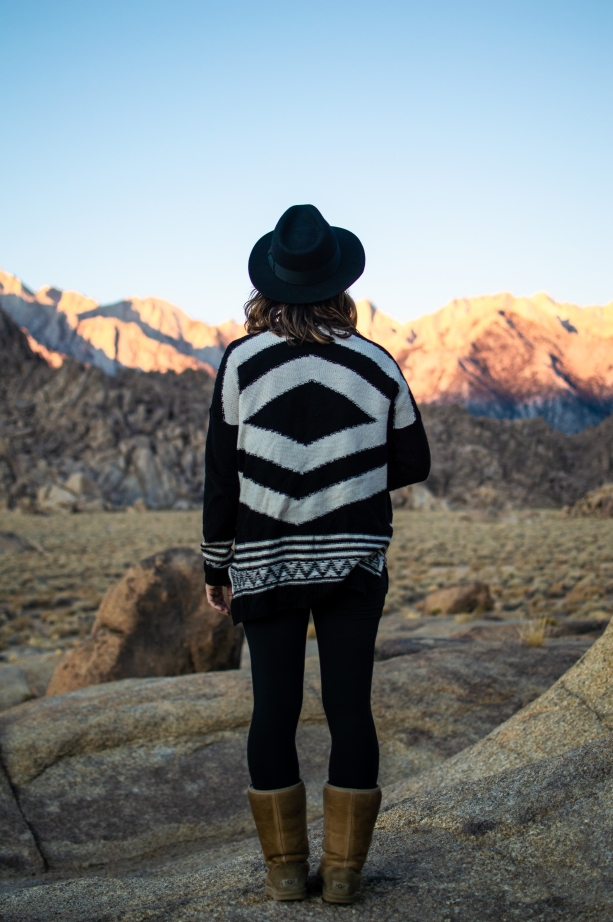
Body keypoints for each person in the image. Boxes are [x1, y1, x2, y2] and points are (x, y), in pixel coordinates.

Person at [201, 204, 430, 904]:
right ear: (339, 282)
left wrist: (217, 565)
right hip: (355, 557)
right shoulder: (376, 362)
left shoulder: (241, 362)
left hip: (265, 557)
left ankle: (282, 874)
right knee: (349, 708)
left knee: (271, 709)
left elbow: (221, 474)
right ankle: (342, 876)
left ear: (270, 283)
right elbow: (414, 460)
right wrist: (348, 475)